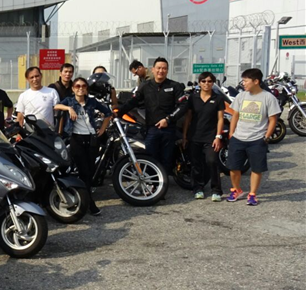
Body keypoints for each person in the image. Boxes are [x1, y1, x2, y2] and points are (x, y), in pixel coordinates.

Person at [116, 58, 185, 175]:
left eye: (164, 68)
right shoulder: (145, 86)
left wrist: (168, 119)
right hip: (152, 129)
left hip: (169, 128)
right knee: (150, 158)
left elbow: (183, 105)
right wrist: (118, 113)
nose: (161, 71)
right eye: (158, 68)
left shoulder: (175, 86)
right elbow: (133, 101)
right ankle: (153, 182)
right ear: (153, 69)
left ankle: (164, 182)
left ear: (167, 70)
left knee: (167, 159)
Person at [54, 78, 113, 216]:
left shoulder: (92, 102)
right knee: (83, 172)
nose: (80, 88)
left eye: (83, 86)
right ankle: (89, 203)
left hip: (91, 139)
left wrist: (102, 129)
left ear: (86, 88)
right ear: (73, 88)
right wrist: (69, 108)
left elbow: (108, 113)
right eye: (77, 86)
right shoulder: (69, 101)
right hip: (77, 139)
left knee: (90, 172)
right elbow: (56, 106)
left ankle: (85, 200)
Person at [226, 68, 281, 206]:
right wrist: (232, 133)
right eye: (243, 81)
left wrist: (266, 137)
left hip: (257, 139)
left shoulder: (268, 98)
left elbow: (273, 119)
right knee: (233, 167)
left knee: (256, 168)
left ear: (256, 81)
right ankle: (236, 190)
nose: (243, 83)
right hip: (238, 138)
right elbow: (235, 115)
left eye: (246, 81)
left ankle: (252, 194)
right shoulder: (241, 96)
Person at [181, 72, 226, 202]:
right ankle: (198, 188)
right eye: (204, 81)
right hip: (194, 136)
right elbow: (188, 117)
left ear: (213, 83)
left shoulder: (218, 98)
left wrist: (218, 136)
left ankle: (216, 190)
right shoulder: (193, 98)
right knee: (196, 163)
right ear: (199, 83)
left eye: (209, 81)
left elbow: (220, 119)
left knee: (212, 161)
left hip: (211, 137)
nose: (206, 84)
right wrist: (184, 136)